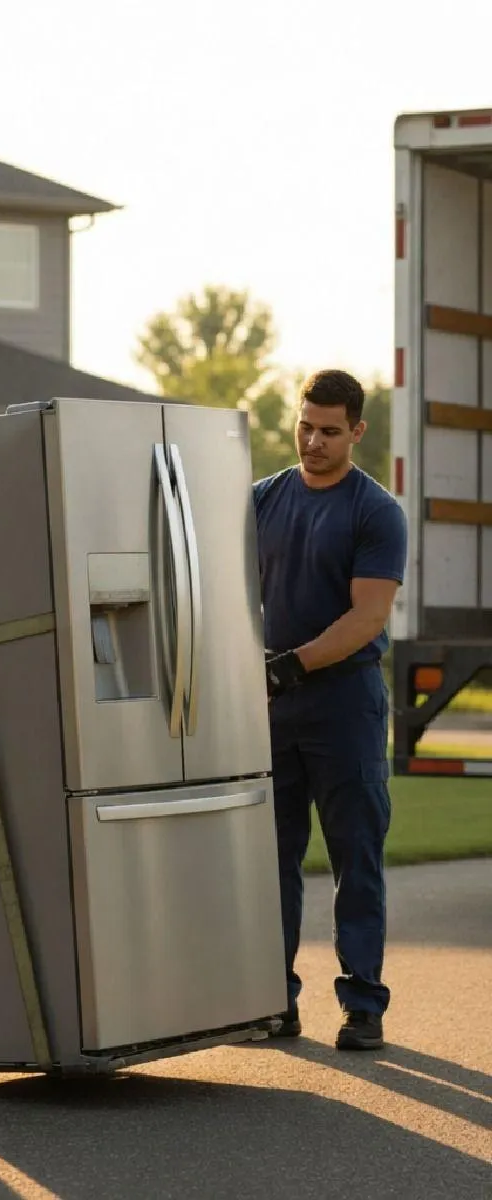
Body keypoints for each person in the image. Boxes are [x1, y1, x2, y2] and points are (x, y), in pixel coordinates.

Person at [253, 369, 407, 1051]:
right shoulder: (262, 500)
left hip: (345, 704)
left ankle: (363, 1004)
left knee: (356, 859)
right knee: (271, 859)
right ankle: (274, 1001)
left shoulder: (376, 512)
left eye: (329, 430)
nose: (313, 441)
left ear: (357, 431)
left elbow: (367, 614)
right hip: (271, 705)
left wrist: (292, 665)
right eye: (305, 426)